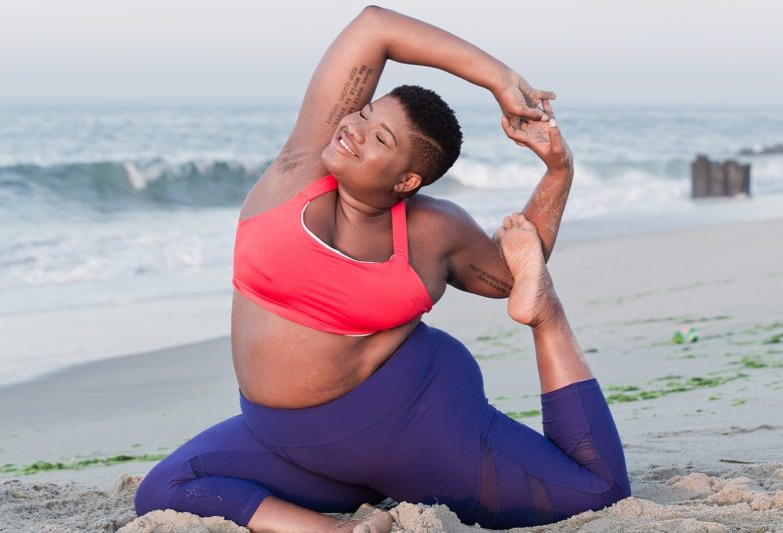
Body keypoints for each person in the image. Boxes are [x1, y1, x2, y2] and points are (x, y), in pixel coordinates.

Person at [134, 6, 630, 531]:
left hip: (411, 423)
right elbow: (374, 25)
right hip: (286, 440)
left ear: (406, 181)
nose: (354, 129)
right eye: (367, 114)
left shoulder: (430, 229)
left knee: (598, 492)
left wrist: (558, 169)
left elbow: (510, 278)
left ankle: (547, 317)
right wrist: (500, 79)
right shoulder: (304, 163)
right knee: (162, 492)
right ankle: (339, 528)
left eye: (381, 139)